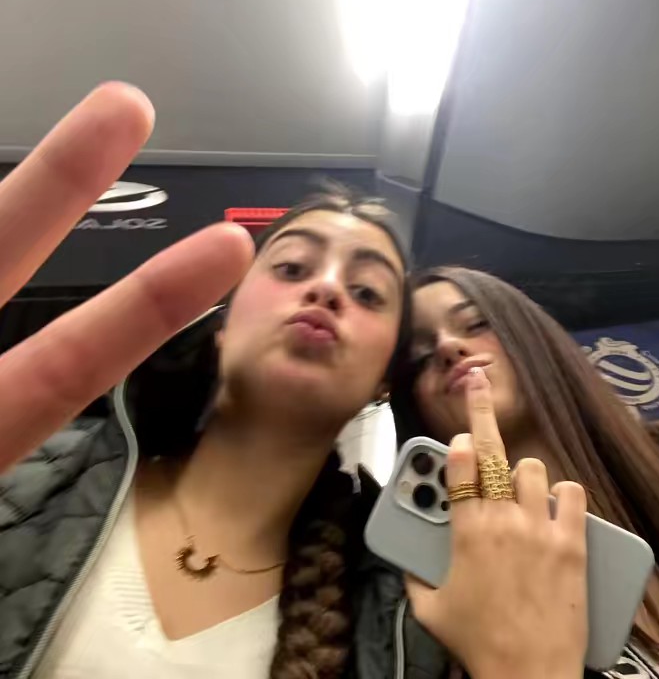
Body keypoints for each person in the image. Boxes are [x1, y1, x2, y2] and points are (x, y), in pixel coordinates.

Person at [0, 84, 590, 679]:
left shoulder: (411, 622)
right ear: (222, 328)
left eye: (367, 293)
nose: (327, 288)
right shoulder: (27, 476)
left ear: (384, 380)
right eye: (291, 267)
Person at [390, 265, 659, 679]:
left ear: (534, 335)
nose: (448, 346)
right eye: (419, 359)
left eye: (476, 323)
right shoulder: (441, 618)